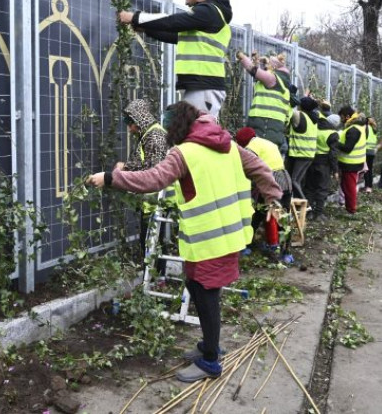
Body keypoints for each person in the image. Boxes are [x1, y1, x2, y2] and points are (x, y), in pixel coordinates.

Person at [87, 101, 282, 383]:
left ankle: (211, 362)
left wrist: (109, 177)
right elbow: (259, 166)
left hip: (210, 239)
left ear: (177, 127)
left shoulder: (184, 153)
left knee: (206, 295)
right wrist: (273, 196)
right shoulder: (227, 144)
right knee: (196, 285)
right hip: (224, 235)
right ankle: (209, 345)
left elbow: (152, 180)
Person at [118, 0, 232, 118]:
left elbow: (172, 21)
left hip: (204, 86)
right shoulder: (210, 17)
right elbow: (174, 36)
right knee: (197, 133)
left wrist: (135, 17)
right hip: (201, 85)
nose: (186, 2)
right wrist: (146, 29)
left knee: (199, 134)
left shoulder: (208, 11)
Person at [117, 99, 170, 269]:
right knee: (150, 239)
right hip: (153, 198)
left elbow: (153, 169)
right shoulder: (148, 134)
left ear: (140, 120)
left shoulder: (155, 136)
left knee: (152, 240)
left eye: (130, 123)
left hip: (158, 199)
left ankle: (156, 278)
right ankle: (154, 276)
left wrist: (125, 169)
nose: (129, 127)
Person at [235, 127, 293, 261]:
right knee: (283, 216)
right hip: (284, 179)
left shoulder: (249, 148)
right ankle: (286, 253)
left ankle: (265, 247)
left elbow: (246, 169)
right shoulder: (267, 143)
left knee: (260, 213)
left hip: (269, 181)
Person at [236, 51, 292, 147]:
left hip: (264, 126)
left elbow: (253, 70)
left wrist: (241, 57)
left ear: (274, 67)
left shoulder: (272, 79)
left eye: (269, 64)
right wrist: (260, 61)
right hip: (272, 127)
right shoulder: (282, 83)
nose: (267, 66)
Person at [304, 112, 339, 221]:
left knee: (309, 188)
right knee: (322, 188)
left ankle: (308, 213)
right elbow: (333, 154)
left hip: (310, 161)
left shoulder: (314, 128)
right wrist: (335, 170)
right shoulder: (333, 133)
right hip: (324, 164)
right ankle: (318, 213)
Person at [285, 97, 319, 200]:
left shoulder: (299, 115)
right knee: (298, 181)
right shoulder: (313, 119)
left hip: (300, 153)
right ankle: (300, 205)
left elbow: (289, 112)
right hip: (309, 154)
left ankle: (305, 204)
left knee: (293, 180)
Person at [337, 106, 367, 214]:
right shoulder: (359, 127)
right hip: (352, 163)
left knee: (349, 188)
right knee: (347, 186)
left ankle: (351, 210)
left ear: (348, 116)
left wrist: (335, 142)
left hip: (351, 163)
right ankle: (349, 208)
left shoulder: (353, 129)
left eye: (342, 117)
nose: (341, 119)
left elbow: (347, 148)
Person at [362, 116, 377, 193]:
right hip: (372, 152)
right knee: (370, 169)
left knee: (365, 169)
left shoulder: (366, 127)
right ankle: (370, 187)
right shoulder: (374, 128)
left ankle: (366, 186)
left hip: (366, 151)